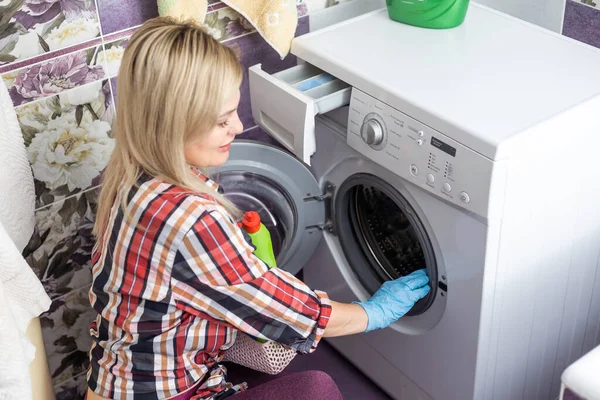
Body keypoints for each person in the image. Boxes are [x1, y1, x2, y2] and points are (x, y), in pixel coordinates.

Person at [86, 17, 431, 400]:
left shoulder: (130, 178)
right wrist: (373, 313)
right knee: (317, 391)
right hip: (165, 393)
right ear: (170, 124)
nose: (237, 125)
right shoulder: (192, 220)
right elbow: (289, 313)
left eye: (234, 109)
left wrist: (243, 263)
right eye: (221, 120)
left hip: (117, 381)